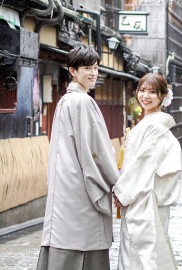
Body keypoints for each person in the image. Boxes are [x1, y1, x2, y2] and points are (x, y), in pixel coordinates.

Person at [37, 44, 120, 270]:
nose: (93, 73)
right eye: (87, 68)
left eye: (95, 68)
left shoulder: (65, 100)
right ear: (72, 71)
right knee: (84, 240)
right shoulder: (83, 101)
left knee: (63, 236)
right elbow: (98, 150)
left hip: (65, 182)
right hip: (80, 186)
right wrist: (117, 182)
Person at [113, 74, 182, 270]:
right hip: (141, 194)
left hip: (144, 197)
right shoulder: (151, 123)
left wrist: (121, 192)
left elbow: (144, 163)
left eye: (152, 92)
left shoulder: (154, 125)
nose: (146, 96)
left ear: (162, 96)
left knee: (142, 252)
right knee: (148, 250)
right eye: (142, 90)